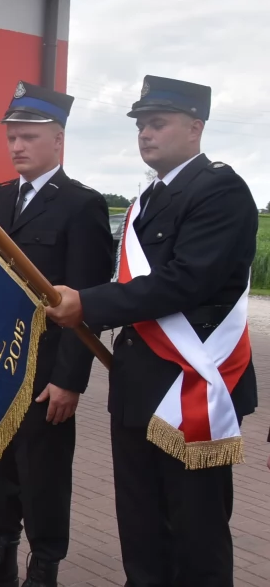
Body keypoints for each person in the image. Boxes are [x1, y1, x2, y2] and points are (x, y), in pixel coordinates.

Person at [46, 76, 258, 587]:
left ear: (195, 126)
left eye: (157, 123)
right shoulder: (150, 197)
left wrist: (88, 303)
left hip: (192, 384)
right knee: (141, 531)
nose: (145, 133)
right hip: (139, 383)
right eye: (141, 124)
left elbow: (184, 282)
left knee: (196, 536)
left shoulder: (220, 190)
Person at [0, 81, 114, 587]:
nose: (16, 146)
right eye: (11, 136)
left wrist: (69, 380)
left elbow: (88, 301)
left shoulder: (82, 204)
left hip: (47, 367)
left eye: (28, 136)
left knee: (45, 473)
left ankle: (46, 563)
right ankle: (2, 550)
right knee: (1, 463)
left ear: (57, 139)